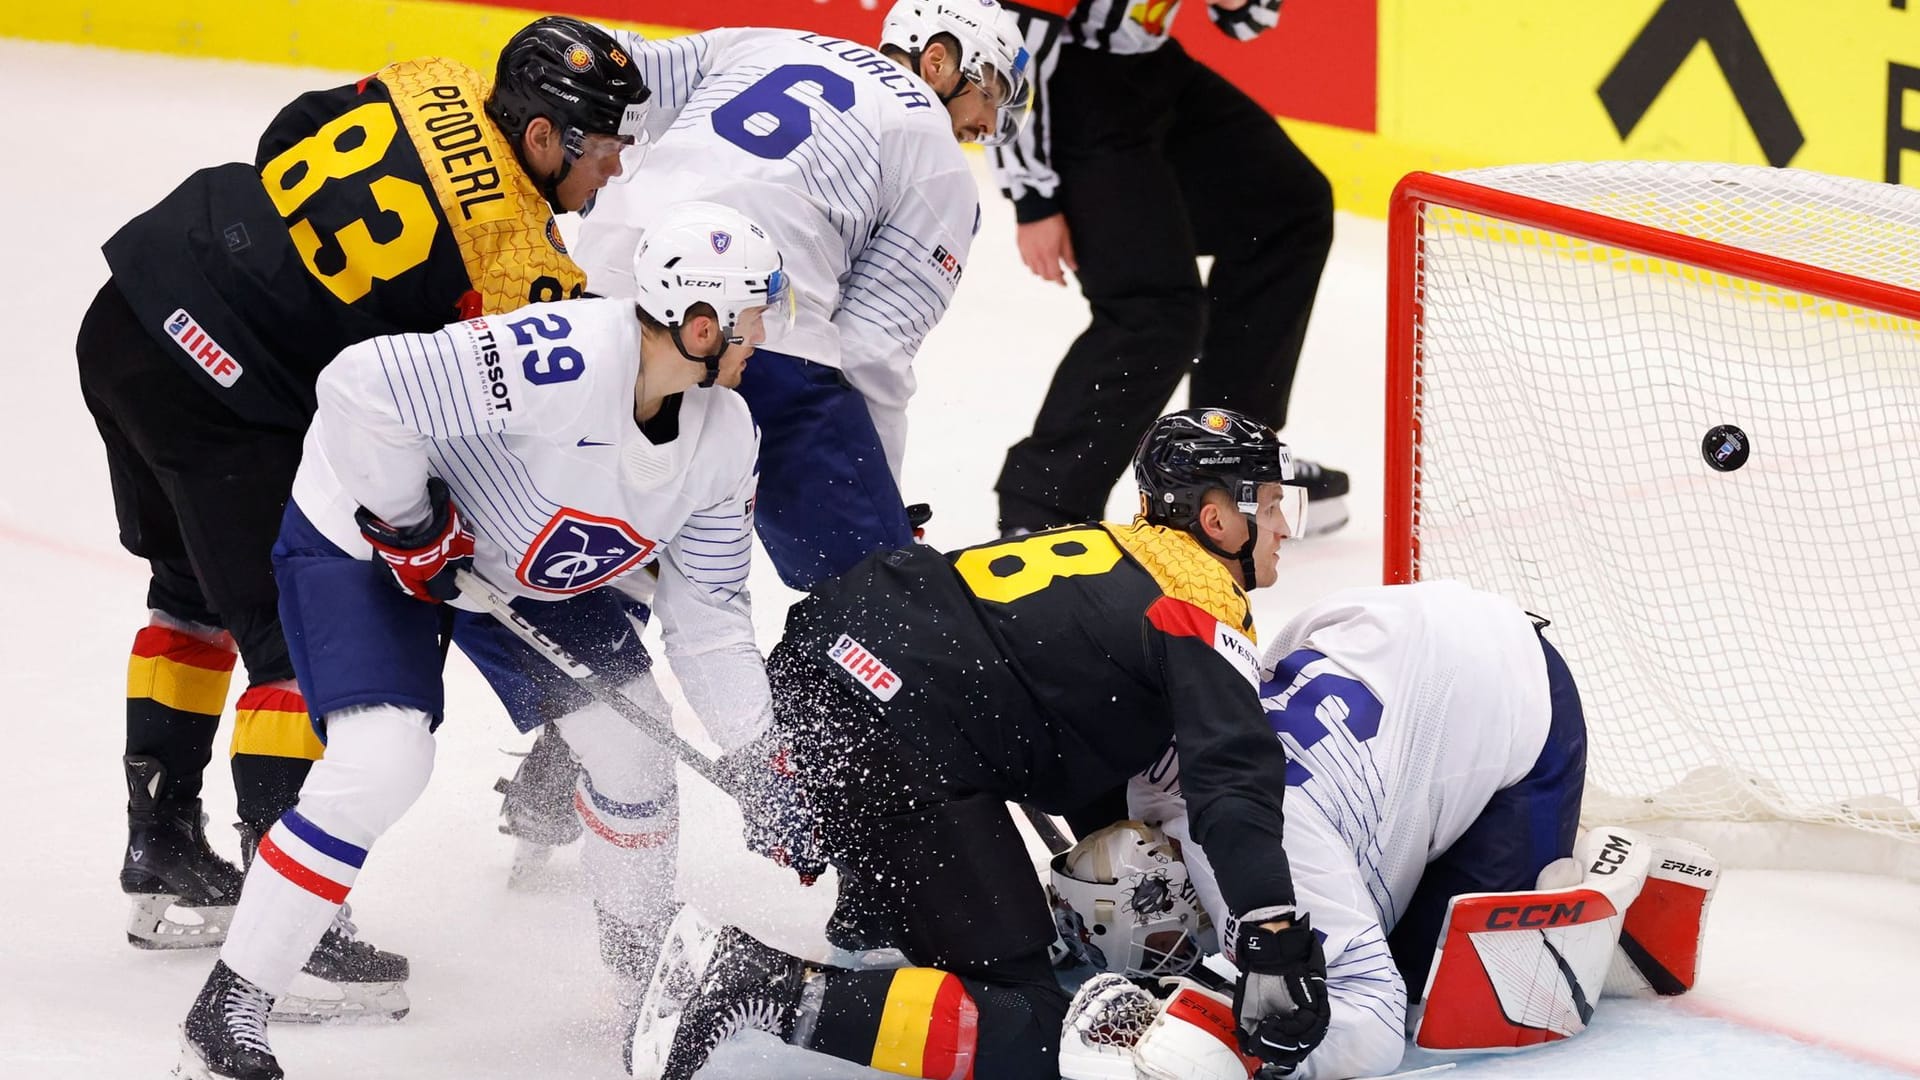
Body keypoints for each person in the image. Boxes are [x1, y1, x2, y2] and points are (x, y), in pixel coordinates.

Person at [76, 13, 650, 1010]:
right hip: (223, 384)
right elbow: (483, 425)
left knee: (189, 595)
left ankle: (162, 843)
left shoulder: (433, 82)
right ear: (547, 137)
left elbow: (287, 135)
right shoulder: (516, 265)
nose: (612, 174)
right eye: (602, 150)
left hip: (134, 303)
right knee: (294, 645)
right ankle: (287, 926)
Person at [174, 201, 810, 1080]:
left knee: (632, 753)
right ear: (699, 325)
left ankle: (639, 998)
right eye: (750, 319)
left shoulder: (724, 436)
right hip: (375, 536)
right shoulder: (566, 356)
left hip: (522, 569)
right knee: (385, 758)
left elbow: (707, 614)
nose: (761, 337)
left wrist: (755, 750)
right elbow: (362, 386)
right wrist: (407, 519)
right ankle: (230, 1007)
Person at [627, 407, 1329, 1080]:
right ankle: (751, 983)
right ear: (1216, 519)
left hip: (827, 674)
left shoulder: (1115, 552)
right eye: (1270, 507)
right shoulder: (1198, 600)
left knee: (911, 922)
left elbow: (1087, 737)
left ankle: (876, 936)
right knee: (1029, 1028)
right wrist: (1271, 937)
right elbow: (1233, 778)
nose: (1282, 530)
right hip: (897, 736)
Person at [1053, 582, 1720, 1078]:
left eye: (1162, 944)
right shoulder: (1147, 779)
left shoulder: (1276, 866)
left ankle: (1610, 892)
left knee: (1433, 997)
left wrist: (1244, 1052)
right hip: (1393, 629)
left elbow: (1373, 1026)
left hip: (1514, 682)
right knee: (1346, 931)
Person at [576, 0, 1032, 590]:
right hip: (758, 345)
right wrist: (879, 506)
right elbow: (873, 353)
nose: (990, 125)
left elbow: (601, 68)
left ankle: (591, 676)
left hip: (598, 299)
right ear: (939, 61)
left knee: (578, 536)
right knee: (876, 594)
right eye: (991, 95)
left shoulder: (764, 42)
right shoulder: (938, 159)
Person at [988, 0, 1348, 537]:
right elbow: (1014, 43)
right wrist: (1033, 197)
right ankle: (1042, 511)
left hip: (1153, 73)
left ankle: (1227, 465)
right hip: (1071, 88)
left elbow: (1249, 22)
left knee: (1288, 209)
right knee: (1156, 309)